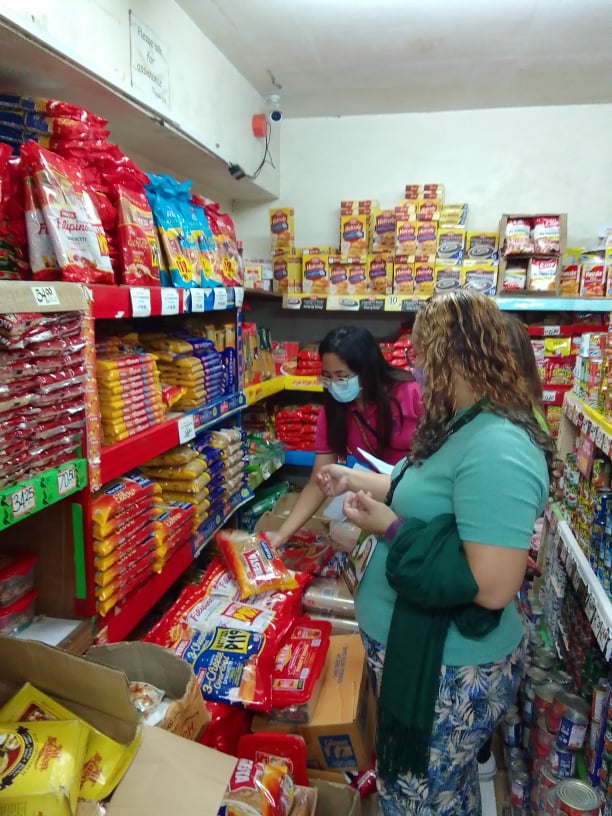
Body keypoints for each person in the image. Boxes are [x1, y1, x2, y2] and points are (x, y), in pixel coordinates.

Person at [339, 291, 555, 816]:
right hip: (425, 659)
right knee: (436, 797)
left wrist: (391, 529)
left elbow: (493, 583)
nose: (415, 368)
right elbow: (430, 496)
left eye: (423, 353)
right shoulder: (463, 423)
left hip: (449, 670)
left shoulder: (498, 445)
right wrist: (364, 484)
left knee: (421, 802)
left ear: (456, 355)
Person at [269, 325, 422, 548]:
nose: (334, 385)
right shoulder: (333, 413)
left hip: (421, 494)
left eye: (342, 377)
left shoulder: (410, 393)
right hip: (383, 499)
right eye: (327, 378)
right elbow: (318, 481)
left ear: (367, 372)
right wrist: (281, 536)